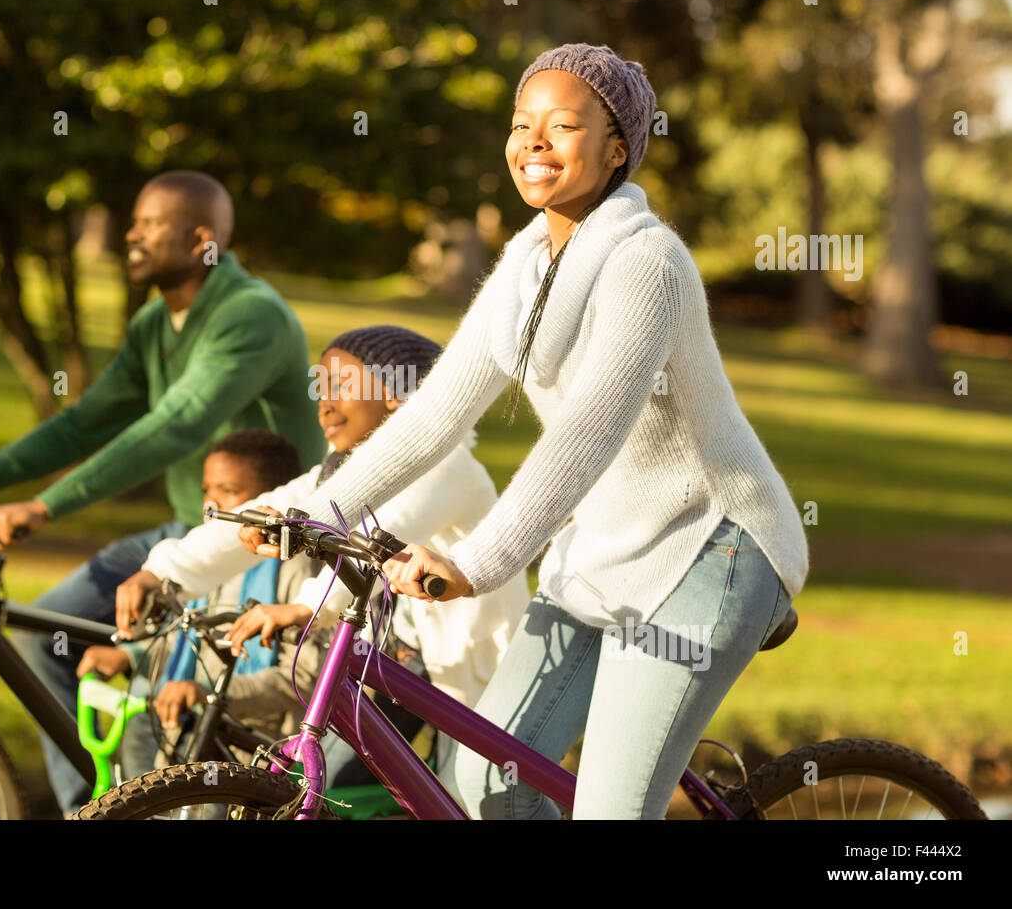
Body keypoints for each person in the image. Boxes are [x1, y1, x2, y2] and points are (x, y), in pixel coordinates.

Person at [236, 44, 810, 819]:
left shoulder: (649, 264)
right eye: (520, 124)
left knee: (612, 810)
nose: (533, 142)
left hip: (713, 550)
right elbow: (437, 414)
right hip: (606, 546)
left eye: (562, 125)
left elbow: (588, 431)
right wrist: (313, 512)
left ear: (617, 151)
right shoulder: (525, 264)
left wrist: (480, 561)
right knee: (485, 781)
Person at [0, 170, 323, 814]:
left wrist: (47, 505)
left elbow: (174, 426)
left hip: (255, 545)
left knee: (156, 684)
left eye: (149, 224)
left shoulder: (251, 315)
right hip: (185, 529)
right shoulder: (155, 324)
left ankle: (159, 805)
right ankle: (98, 807)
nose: (131, 235)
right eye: (132, 222)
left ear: (201, 241)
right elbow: (85, 422)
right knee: (39, 635)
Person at [118, 325, 530, 782]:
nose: (325, 403)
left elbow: (384, 534)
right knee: (320, 781)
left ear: (399, 394)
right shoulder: (343, 472)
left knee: (480, 794)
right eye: (321, 390)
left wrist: (305, 606)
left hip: (471, 670)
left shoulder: (448, 465)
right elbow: (266, 509)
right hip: (398, 661)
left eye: (342, 386)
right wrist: (163, 571)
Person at [75, 429, 317, 778]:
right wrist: (131, 655)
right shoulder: (205, 564)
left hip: (258, 750)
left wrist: (210, 694)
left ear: (272, 500)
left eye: (230, 492)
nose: (212, 505)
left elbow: (305, 677)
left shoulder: (296, 571)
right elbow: (184, 638)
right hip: (191, 732)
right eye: (208, 491)